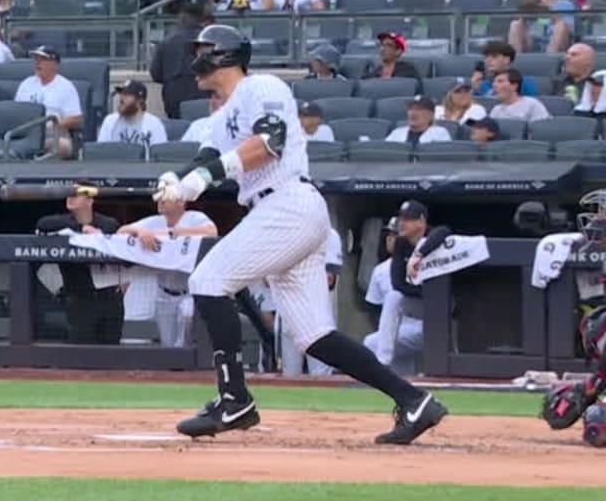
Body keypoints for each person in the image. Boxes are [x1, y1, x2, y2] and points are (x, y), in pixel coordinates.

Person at [154, 24, 447, 443]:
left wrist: (199, 179)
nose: (193, 60)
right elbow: (206, 159)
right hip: (278, 213)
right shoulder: (219, 117)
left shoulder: (261, 86)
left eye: (201, 50)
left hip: (288, 203)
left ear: (223, 54)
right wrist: (174, 181)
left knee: (207, 281)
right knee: (314, 337)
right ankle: (414, 400)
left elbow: (269, 142)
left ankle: (235, 399)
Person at [118, 196, 217, 349]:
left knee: (187, 315)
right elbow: (121, 231)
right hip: (164, 292)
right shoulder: (155, 222)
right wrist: (141, 231)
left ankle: (188, 357)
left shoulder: (194, 217)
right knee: (169, 345)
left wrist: (172, 233)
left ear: (181, 202)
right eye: (159, 198)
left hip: (189, 292)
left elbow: (212, 231)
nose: (160, 201)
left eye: (166, 198)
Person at [34, 180, 124, 345]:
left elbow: (124, 253)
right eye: (69, 194)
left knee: (111, 351)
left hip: (110, 298)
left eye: (76, 194)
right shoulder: (59, 223)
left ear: (89, 200)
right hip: (79, 298)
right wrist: (80, 228)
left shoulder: (108, 224)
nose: (70, 197)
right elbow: (42, 224)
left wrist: (99, 235)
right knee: (80, 351)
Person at [373, 201, 450, 374]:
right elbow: (398, 284)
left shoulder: (433, 236)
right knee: (393, 297)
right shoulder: (401, 243)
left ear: (421, 221)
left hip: (444, 306)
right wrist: (420, 292)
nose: (402, 223)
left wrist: (419, 255)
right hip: (421, 302)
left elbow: (444, 231)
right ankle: (382, 362)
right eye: (401, 219)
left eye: (408, 219)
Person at [362, 216, 424, 376]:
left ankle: (383, 373)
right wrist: (385, 330)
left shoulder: (420, 262)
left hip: (422, 325)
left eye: (395, 234)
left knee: (372, 343)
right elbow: (373, 308)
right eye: (388, 235)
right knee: (384, 344)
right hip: (397, 328)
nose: (390, 239)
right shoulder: (380, 270)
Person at [14, 46, 83, 159]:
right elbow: (16, 111)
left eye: (42, 59)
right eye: (36, 59)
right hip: (26, 133)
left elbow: (76, 119)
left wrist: (52, 126)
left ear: (54, 64)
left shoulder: (66, 87)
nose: (37, 63)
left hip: (53, 134)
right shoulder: (26, 84)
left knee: (61, 146)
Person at [150, 3, 211, 120]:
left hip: (174, 94)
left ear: (182, 18)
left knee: (177, 128)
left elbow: (155, 74)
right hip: (204, 92)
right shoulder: (208, 39)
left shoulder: (166, 41)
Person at [95, 80, 167, 150]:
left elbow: (160, 153)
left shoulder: (154, 124)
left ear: (140, 100)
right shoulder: (110, 121)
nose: (121, 98)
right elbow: (101, 151)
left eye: (126, 95)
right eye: (121, 93)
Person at [385, 96, 452, 145]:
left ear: (431, 115)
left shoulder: (440, 133)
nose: (413, 113)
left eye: (419, 109)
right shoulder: (397, 133)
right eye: (410, 109)